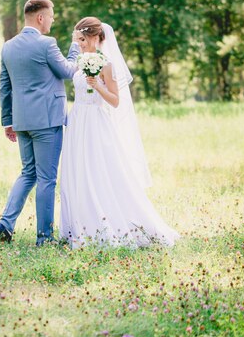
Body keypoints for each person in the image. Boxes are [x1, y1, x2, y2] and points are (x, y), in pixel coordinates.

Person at [59, 17, 180, 248]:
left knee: (100, 173)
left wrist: (98, 86)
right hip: (77, 122)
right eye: (77, 40)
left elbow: (115, 101)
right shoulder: (80, 60)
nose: (79, 45)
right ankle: (78, 225)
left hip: (96, 122)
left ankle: (106, 224)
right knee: (78, 172)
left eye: (82, 40)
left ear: (95, 37)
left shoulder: (106, 64)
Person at [0, 0, 80, 246]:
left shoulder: (8, 46)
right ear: (40, 17)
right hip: (47, 121)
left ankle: (5, 225)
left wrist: (7, 121)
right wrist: (75, 47)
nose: (52, 20)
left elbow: (4, 87)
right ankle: (44, 237)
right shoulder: (46, 44)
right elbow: (68, 71)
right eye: (51, 15)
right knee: (46, 179)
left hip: (22, 120)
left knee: (28, 173)